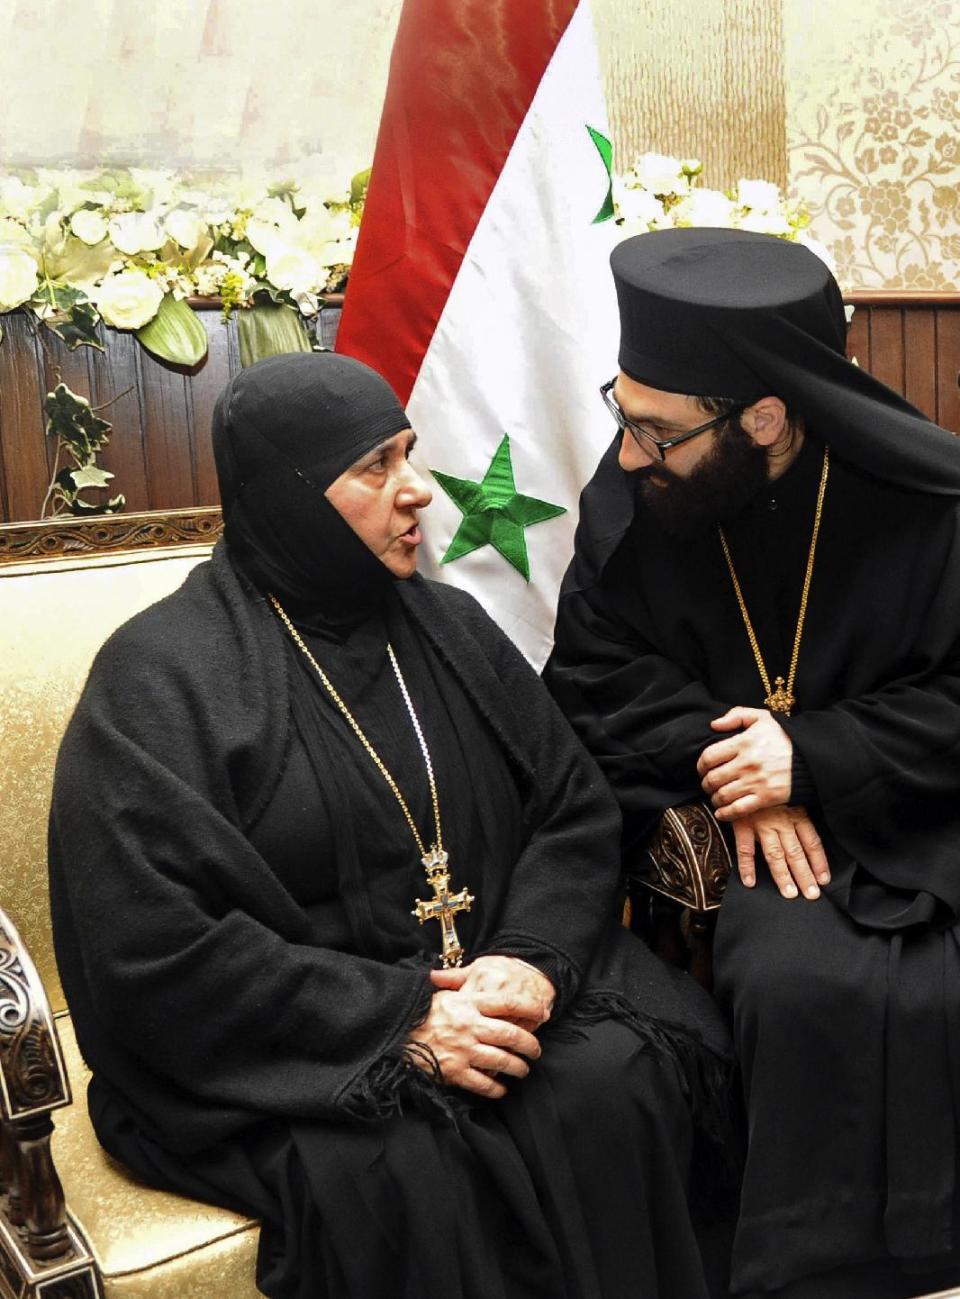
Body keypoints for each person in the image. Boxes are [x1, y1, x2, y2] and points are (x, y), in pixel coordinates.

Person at [48, 352, 734, 1299]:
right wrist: (403, 1016)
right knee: (408, 1168)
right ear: (290, 496)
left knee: (618, 1079)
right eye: (375, 467)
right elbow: (149, 944)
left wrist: (532, 957)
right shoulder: (159, 678)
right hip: (306, 1045)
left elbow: (573, 807)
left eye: (409, 453)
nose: (417, 492)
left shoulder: (451, 626)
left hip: (497, 988)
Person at [544, 226, 960, 1299]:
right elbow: (592, 678)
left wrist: (815, 754)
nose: (629, 455)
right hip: (740, 816)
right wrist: (742, 763)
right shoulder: (640, 498)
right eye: (623, 415)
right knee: (792, 978)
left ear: (765, 419)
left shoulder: (926, 504)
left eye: (657, 432)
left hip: (920, 803)